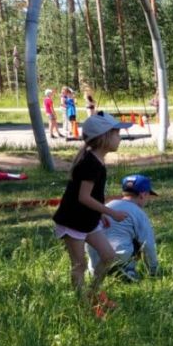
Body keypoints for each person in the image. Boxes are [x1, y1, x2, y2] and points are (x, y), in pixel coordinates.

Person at [51, 113, 130, 317]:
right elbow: (84, 197)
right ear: (104, 137)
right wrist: (111, 212)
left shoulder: (97, 160)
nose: (120, 138)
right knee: (79, 265)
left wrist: (99, 213)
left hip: (87, 220)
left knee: (109, 256)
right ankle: (83, 307)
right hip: (72, 222)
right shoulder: (90, 163)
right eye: (117, 133)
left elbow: (93, 196)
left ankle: (92, 294)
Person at [88, 173, 161, 283]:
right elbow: (148, 245)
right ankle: (126, 269)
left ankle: (98, 272)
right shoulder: (138, 213)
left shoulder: (107, 207)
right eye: (148, 196)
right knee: (139, 239)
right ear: (142, 195)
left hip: (95, 261)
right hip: (115, 257)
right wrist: (153, 271)